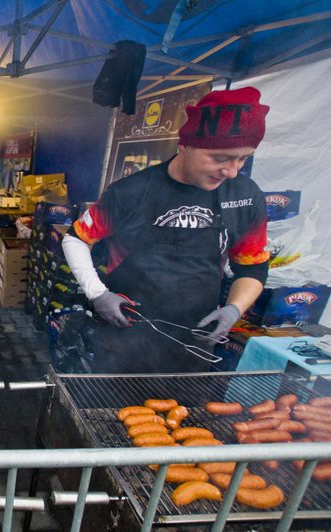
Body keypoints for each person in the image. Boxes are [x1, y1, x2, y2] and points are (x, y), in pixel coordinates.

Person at [62, 86, 271, 373]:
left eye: (242, 158)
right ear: (184, 145)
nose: (231, 171)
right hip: (124, 336)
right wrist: (97, 294)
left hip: (195, 342)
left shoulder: (246, 196)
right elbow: (75, 239)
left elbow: (253, 268)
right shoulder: (132, 191)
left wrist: (234, 308)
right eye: (220, 158)